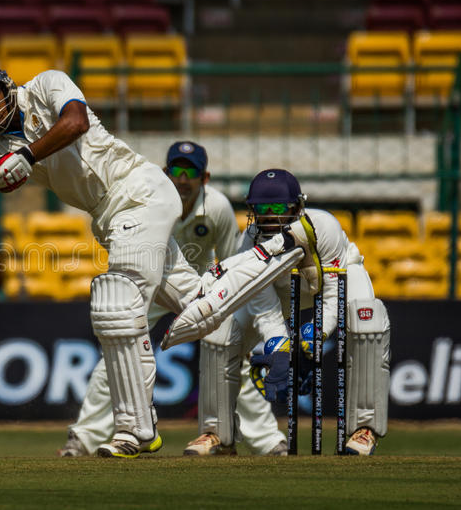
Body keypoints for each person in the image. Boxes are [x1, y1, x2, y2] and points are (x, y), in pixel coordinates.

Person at [0, 62, 321, 458]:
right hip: (109, 218)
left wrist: (25, 155)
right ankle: (282, 250)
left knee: (117, 304)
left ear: (4, 86)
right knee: (204, 307)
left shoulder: (45, 85)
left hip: (137, 191)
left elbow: (75, 122)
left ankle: (136, 430)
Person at [57, 141, 288, 457]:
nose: (182, 179)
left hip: (200, 287)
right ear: (165, 174)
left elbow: (231, 259)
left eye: (190, 172)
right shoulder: (148, 201)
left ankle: (268, 441)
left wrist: (225, 302)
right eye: (176, 171)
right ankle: (82, 439)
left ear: (204, 178)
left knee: (229, 350)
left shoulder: (216, 208)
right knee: (117, 357)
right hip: (151, 283)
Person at [193, 169, 390, 455]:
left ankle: (364, 429)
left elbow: (334, 292)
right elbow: (264, 307)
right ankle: (218, 434)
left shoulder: (324, 227)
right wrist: (280, 348)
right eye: (261, 209)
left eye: (278, 208)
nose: (270, 216)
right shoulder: (249, 244)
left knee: (366, 319)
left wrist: (317, 332)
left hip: (338, 276)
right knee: (220, 331)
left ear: (298, 207)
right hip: (283, 290)